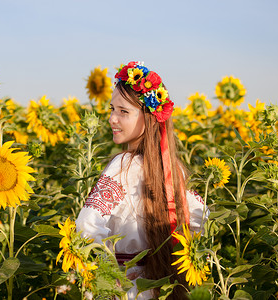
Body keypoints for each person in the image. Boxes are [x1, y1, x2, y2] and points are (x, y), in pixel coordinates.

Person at [75, 61, 207, 299]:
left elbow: (86, 226)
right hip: (163, 286)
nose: (113, 119)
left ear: (148, 117)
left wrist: (109, 271)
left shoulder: (122, 167)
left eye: (123, 112)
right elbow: (202, 220)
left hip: (126, 289)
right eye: (112, 109)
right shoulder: (172, 168)